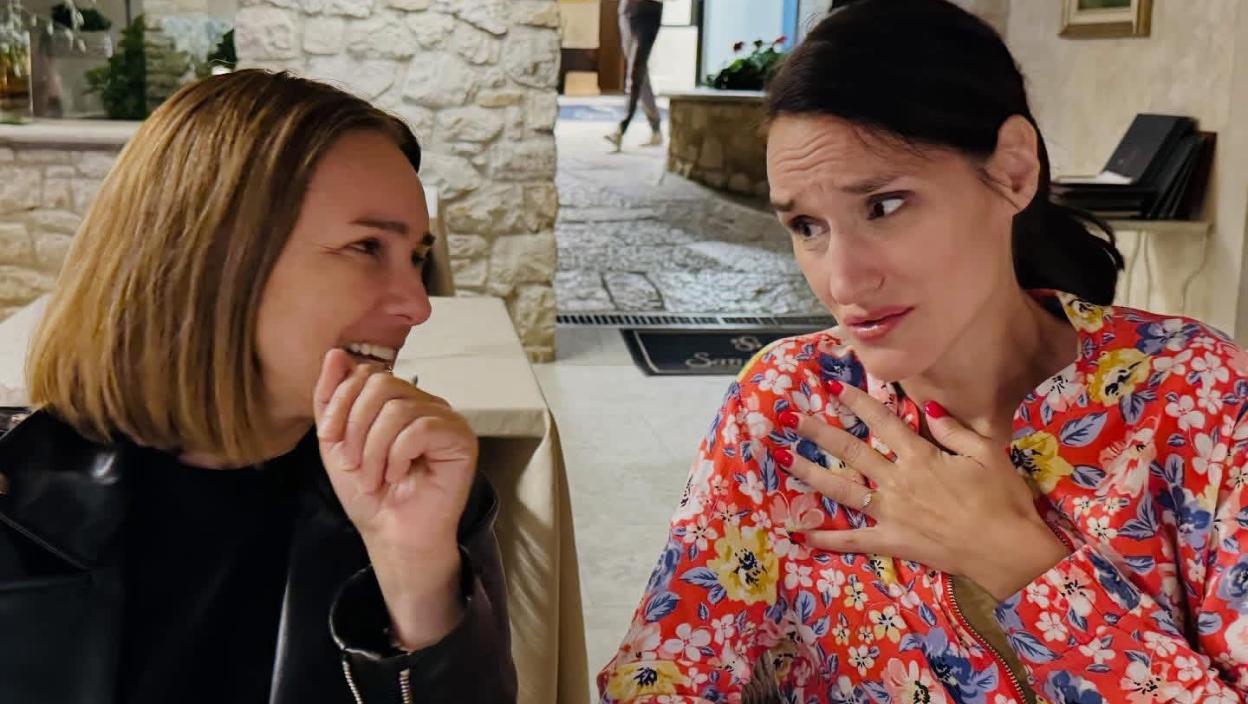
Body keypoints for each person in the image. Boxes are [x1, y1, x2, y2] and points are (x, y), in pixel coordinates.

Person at [598, 1, 1248, 702]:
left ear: (1014, 171)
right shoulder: (790, 404)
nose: (842, 282)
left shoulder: (1197, 396)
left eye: (883, 206)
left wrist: (1019, 564)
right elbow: (661, 674)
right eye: (807, 226)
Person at [0, 69, 516, 703]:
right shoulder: (18, 504)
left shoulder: (415, 492)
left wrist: (418, 579)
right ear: (207, 259)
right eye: (366, 247)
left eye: (415, 257)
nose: (418, 304)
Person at [605, 0, 664, 151]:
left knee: (635, 72)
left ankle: (622, 127)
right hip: (627, 9)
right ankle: (655, 127)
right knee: (639, 73)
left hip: (647, 10)